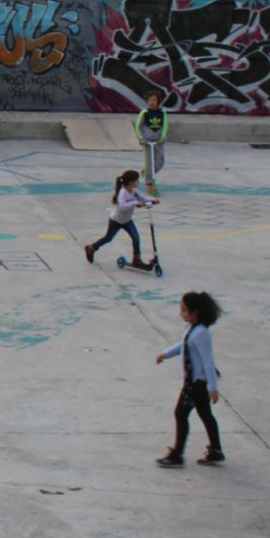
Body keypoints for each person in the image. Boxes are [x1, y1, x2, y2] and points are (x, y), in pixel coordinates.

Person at [155, 290, 223, 467]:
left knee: (181, 413)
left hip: (196, 384)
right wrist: (166, 354)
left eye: (184, 310)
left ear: (195, 313)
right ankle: (216, 450)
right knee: (205, 415)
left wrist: (213, 388)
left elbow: (208, 362)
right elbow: (183, 345)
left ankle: (177, 454)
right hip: (193, 382)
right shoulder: (191, 329)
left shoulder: (202, 334)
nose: (181, 313)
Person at [85, 170, 155, 265]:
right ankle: (91, 248)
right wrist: (135, 202)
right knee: (108, 238)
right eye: (137, 180)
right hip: (116, 221)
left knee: (136, 238)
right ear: (131, 182)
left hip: (127, 221)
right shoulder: (123, 192)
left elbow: (143, 199)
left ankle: (136, 259)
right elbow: (123, 206)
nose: (138, 182)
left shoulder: (134, 191)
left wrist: (154, 200)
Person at [134, 91, 168, 190]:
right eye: (149, 100)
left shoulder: (162, 112)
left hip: (158, 141)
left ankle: (147, 172)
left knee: (160, 162)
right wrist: (141, 138)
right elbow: (138, 127)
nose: (151, 102)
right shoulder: (144, 112)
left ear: (158, 101)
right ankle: (149, 182)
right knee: (149, 162)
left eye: (154, 100)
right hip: (147, 141)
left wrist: (163, 138)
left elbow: (165, 126)